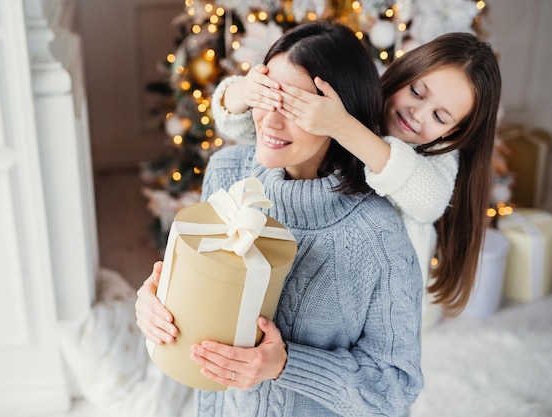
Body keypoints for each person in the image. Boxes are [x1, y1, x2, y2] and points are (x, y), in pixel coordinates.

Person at [136, 21, 423, 417]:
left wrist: (285, 365)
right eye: (267, 96)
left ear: (338, 116)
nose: (270, 121)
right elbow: (198, 304)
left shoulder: (378, 236)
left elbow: (394, 388)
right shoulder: (227, 172)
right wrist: (155, 302)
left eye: (295, 107)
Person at [212, 32, 502, 319]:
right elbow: (253, 129)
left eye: (439, 117)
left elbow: (429, 200)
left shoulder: (438, 157)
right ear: (403, 73)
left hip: (387, 305)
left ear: (451, 132)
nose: (418, 114)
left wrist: (342, 127)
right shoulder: (358, 101)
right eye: (416, 92)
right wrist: (245, 91)